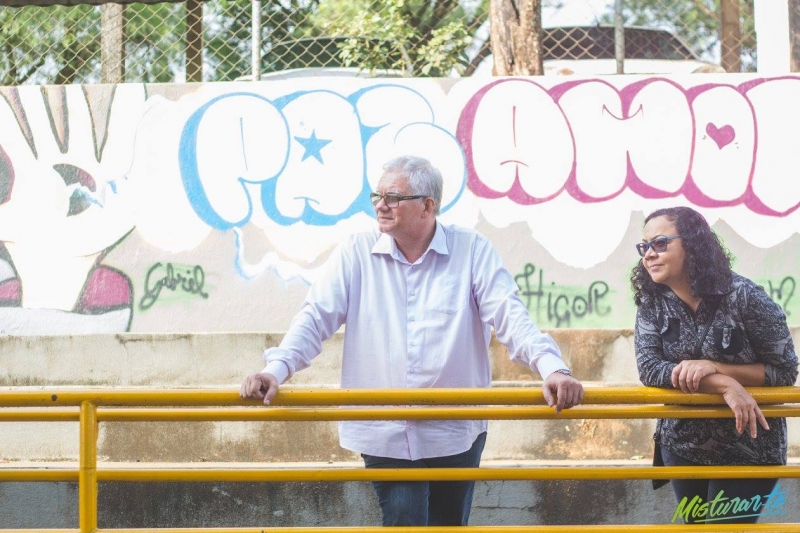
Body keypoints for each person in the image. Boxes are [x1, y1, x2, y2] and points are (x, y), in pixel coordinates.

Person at [240, 155, 584, 526]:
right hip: (384, 428)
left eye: (392, 197)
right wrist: (276, 369)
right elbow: (315, 318)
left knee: (448, 525)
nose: (380, 205)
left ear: (427, 206)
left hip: (454, 428)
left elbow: (510, 316)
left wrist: (552, 368)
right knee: (405, 520)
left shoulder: (471, 250)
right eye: (377, 196)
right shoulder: (356, 252)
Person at [631, 206, 798, 524]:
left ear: (693, 244)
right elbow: (650, 368)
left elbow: (785, 370)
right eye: (644, 246)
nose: (649, 254)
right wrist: (724, 384)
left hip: (749, 449)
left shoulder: (745, 297)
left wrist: (716, 367)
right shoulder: (652, 302)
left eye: (660, 243)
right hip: (682, 446)